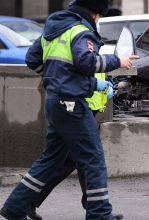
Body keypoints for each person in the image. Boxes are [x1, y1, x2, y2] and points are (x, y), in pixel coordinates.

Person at [0, 0, 138, 219]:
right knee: (93, 158)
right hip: (72, 103)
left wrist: (58, 78)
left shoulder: (53, 29)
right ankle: (99, 214)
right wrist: (117, 60)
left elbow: (32, 59)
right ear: (95, 14)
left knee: (51, 158)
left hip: (55, 101)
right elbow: (86, 62)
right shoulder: (81, 31)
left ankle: (15, 206)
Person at [27, 73, 121, 220]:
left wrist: (107, 80)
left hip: (88, 103)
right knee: (80, 160)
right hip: (79, 104)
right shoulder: (78, 49)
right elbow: (81, 64)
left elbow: (95, 65)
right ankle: (96, 209)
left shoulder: (94, 49)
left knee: (72, 161)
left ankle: (27, 201)